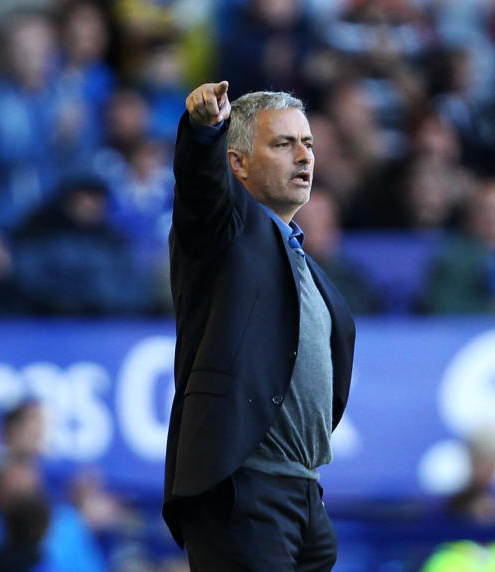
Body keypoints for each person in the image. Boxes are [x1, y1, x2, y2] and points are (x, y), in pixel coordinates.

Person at [163, 81, 356, 570]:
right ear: (238, 163)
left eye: (308, 143)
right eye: (283, 143)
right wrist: (205, 132)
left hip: (304, 492)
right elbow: (200, 183)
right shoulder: (224, 229)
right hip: (244, 491)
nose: (304, 156)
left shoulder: (305, 264)